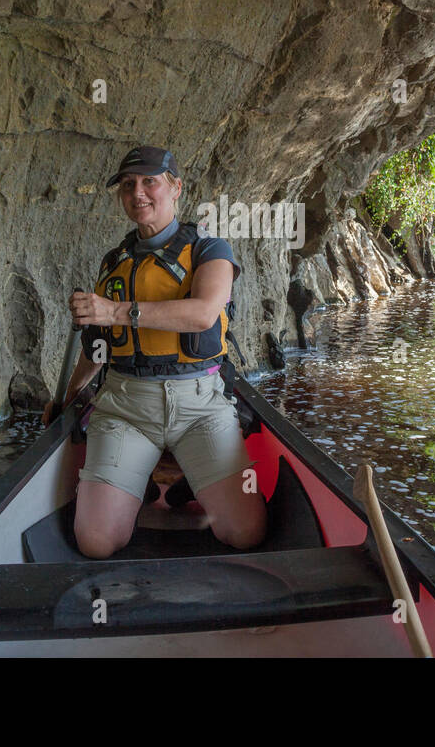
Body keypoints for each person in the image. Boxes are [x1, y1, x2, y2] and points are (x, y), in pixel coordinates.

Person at [42, 146, 267, 559]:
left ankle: (184, 481)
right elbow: (98, 347)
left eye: (150, 182)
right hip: (126, 406)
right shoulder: (114, 263)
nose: (138, 193)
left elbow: (202, 315)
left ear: (176, 188)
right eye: (128, 186)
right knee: (96, 542)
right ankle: (137, 481)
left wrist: (114, 311)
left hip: (200, 404)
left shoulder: (211, 250)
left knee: (247, 532)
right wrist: (69, 398)